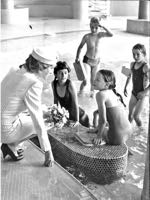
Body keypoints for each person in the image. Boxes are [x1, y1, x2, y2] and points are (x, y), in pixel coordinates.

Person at [1, 47, 57, 167]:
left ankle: (10, 144)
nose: (52, 71)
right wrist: (48, 151)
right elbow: (37, 119)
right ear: (42, 66)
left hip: (3, 121)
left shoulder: (15, 70)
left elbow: (15, 101)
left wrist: (43, 110)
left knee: (38, 115)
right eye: (51, 67)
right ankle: (12, 144)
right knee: (49, 121)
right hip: (5, 130)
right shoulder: (34, 82)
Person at [90, 69, 131, 145]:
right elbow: (112, 111)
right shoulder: (112, 92)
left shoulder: (100, 95)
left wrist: (98, 136)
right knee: (100, 120)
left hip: (117, 136)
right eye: (95, 78)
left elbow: (103, 120)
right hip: (128, 131)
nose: (94, 81)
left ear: (106, 85)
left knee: (100, 130)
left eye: (97, 80)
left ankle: (97, 131)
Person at [75, 17, 113, 97]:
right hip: (87, 60)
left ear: (98, 27)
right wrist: (77, 57)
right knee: (86, 80)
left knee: (94, 81)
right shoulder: (87, 37)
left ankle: (91, 96)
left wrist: (102, 26)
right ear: (90, 26)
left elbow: (111, 34)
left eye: (96, 28)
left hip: (97, 61)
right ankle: (80, 93)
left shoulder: (100, 35)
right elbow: (80, 47)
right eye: (92, 27)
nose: (94, 30)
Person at [51, 61, 90, 128]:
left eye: (65, 73)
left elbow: (75, 104)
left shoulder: (70, 84)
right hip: (68, 115)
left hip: (80, 116)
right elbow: (55, 101)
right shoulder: (53, 84)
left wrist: (77, 121)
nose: (64, 75)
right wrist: (55, 116)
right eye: (61, 73)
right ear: (55, 74)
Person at [124, 44, 149, 127]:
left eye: (138, 54)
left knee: (136, 116)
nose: (135, 56)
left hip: (143, 95)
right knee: (130, 115)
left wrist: (144, 92)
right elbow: (129, 75)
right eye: (133, 54)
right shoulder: (132, 64)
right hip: (134, 93)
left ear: (144, 54)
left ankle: (140, 130)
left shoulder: (146, 67)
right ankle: (128, 132)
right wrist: (125, 87)